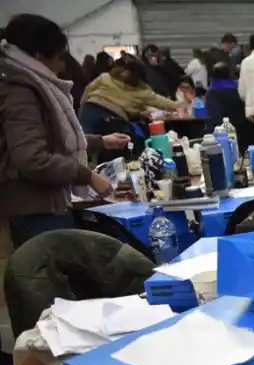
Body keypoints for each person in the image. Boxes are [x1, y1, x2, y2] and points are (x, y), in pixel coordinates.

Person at [0, 14, 131, 247]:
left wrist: (102, 141)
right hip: (36, 211)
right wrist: (88, 176)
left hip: (45, 206)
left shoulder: (27, 84)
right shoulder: (21, 91)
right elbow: (33, 159)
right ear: (39, 56)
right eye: (60, 57)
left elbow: (55, 139)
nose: (62, 66)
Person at [80, 55, 181, 131]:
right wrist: (182, 103)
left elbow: (87, 91)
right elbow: (164, 102)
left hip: (89, 110)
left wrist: (82, 108)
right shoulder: (141, 91)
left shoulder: (105, 77)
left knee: (86, 148)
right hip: (112, 119)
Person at [204, 62, 254, 153]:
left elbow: (212, 115)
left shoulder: (212, 92)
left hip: (220, 132)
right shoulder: (239, 88)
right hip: (243, 129)